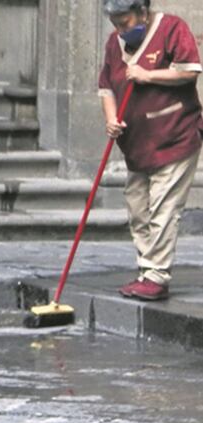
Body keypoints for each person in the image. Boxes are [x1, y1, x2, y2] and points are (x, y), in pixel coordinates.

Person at [99, 0, 201, 301]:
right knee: (138, 207)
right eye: (115, 24)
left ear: (142, 12)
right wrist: (111, 119)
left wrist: (148, 75)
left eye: (125, 22)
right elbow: (106, 88)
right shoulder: (114, 43)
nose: (120, 30)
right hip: (137, 145)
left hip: (175, 135)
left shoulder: (172, 28)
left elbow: (190, 70)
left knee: (163, 207)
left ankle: (157, 275)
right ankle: (147, 269)